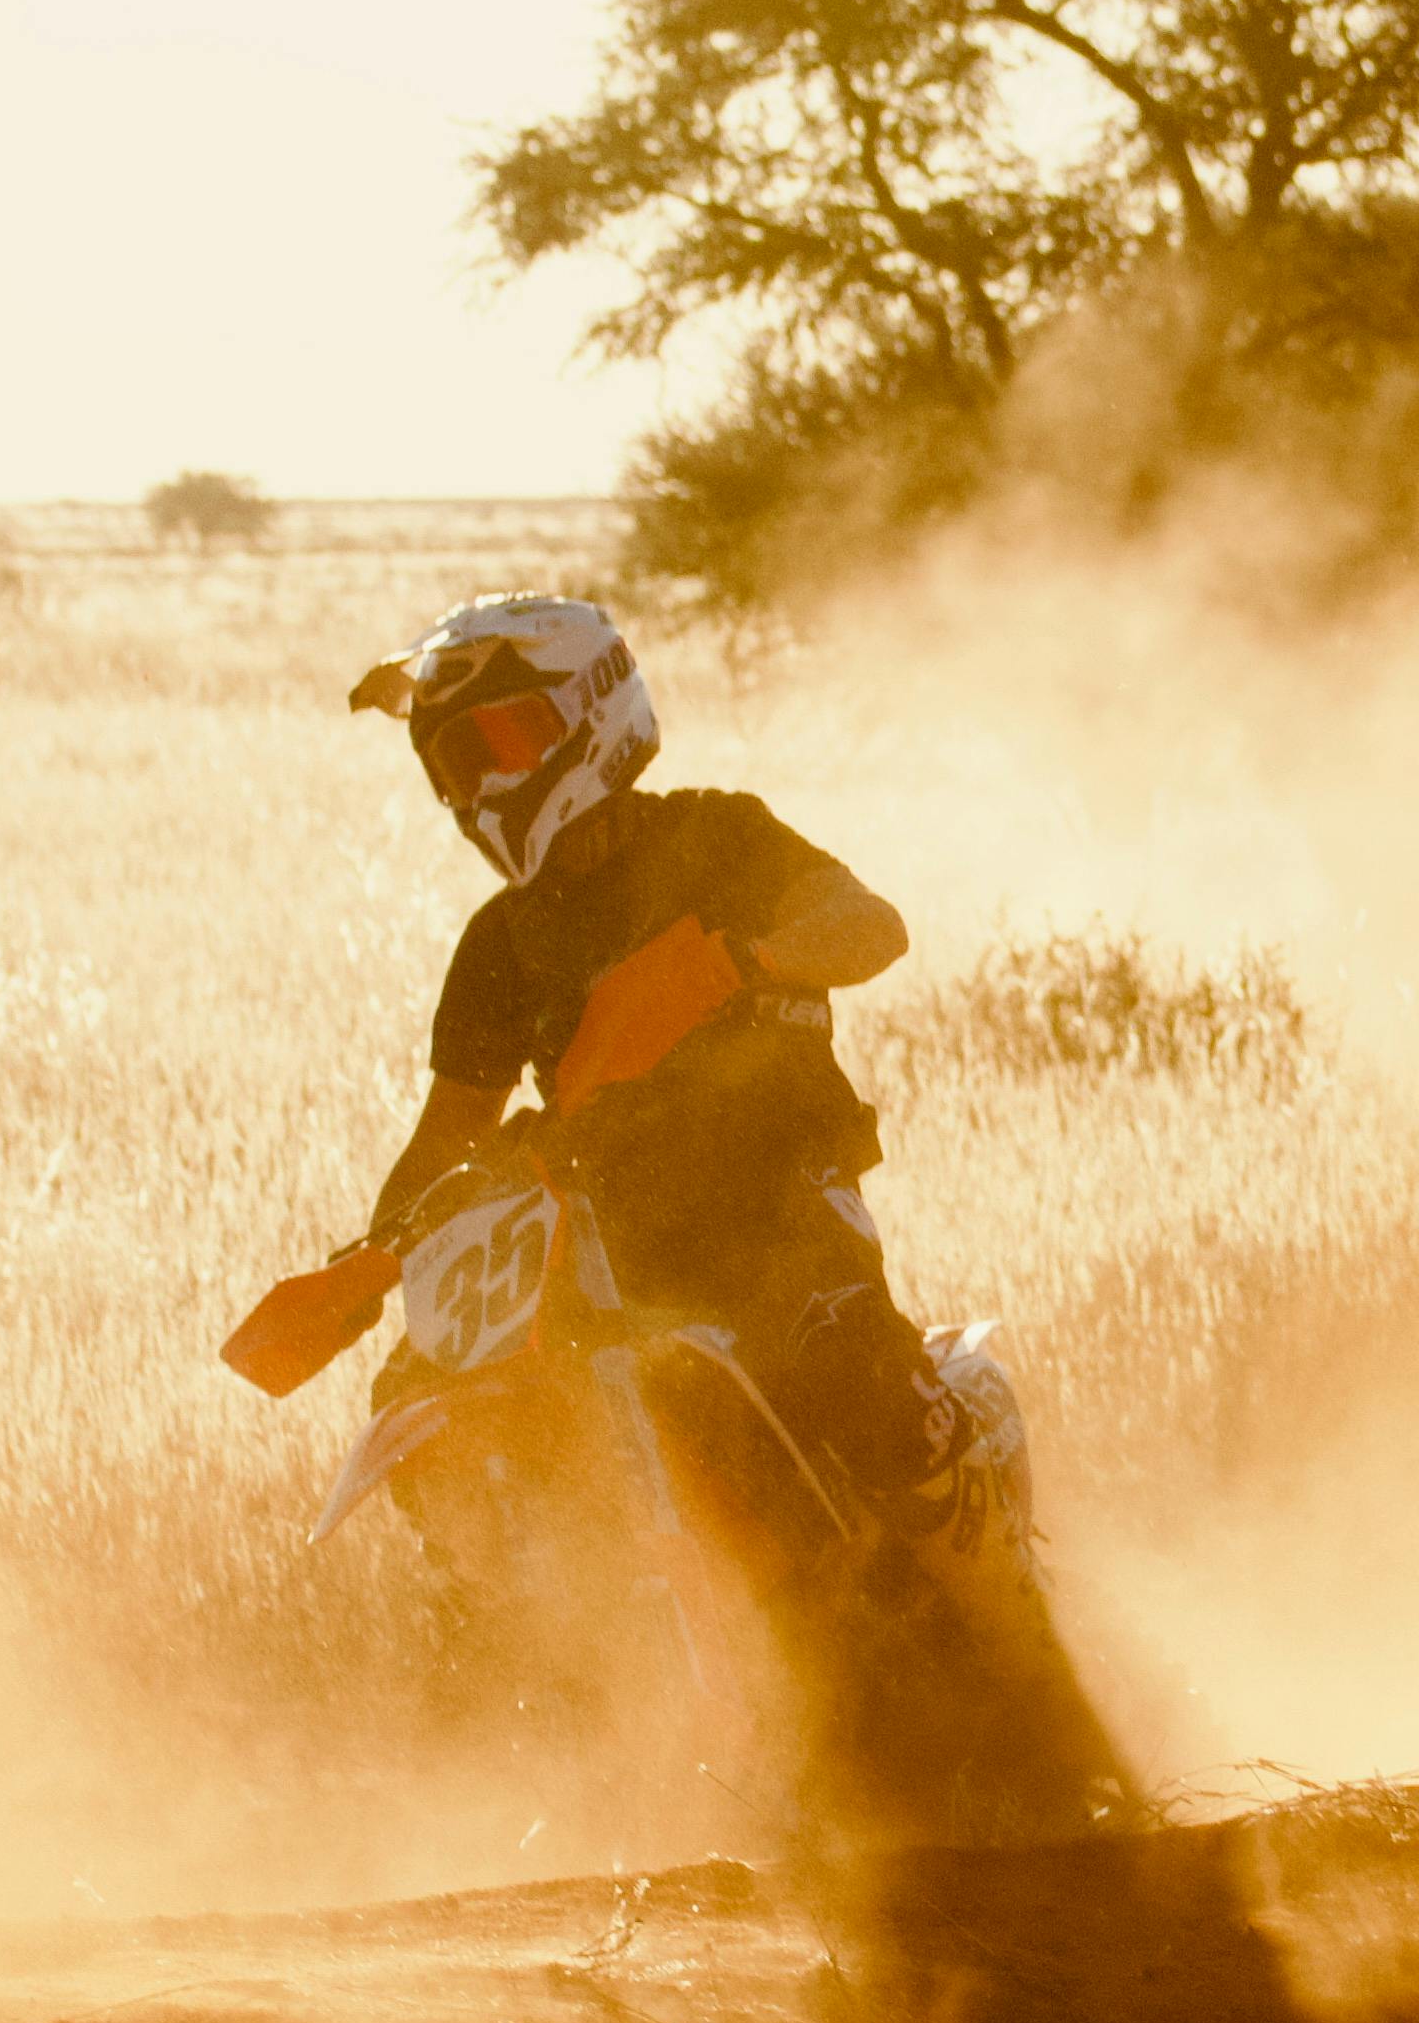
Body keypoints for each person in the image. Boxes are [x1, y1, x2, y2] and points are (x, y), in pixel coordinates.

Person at [344, 595, 959, 1505]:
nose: (478, 790)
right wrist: (369, 1259)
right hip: (607, 1242)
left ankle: (978, 1568)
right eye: (455, 765)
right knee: (428, 1409)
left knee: (889, 1426)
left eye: (500, 744)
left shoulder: (720, 838)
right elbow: (449, 1132)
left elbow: (872, 926)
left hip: (779, 1206)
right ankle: (505, 1631)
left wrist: (739, 964)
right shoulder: (499, 942)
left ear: (588, 711)